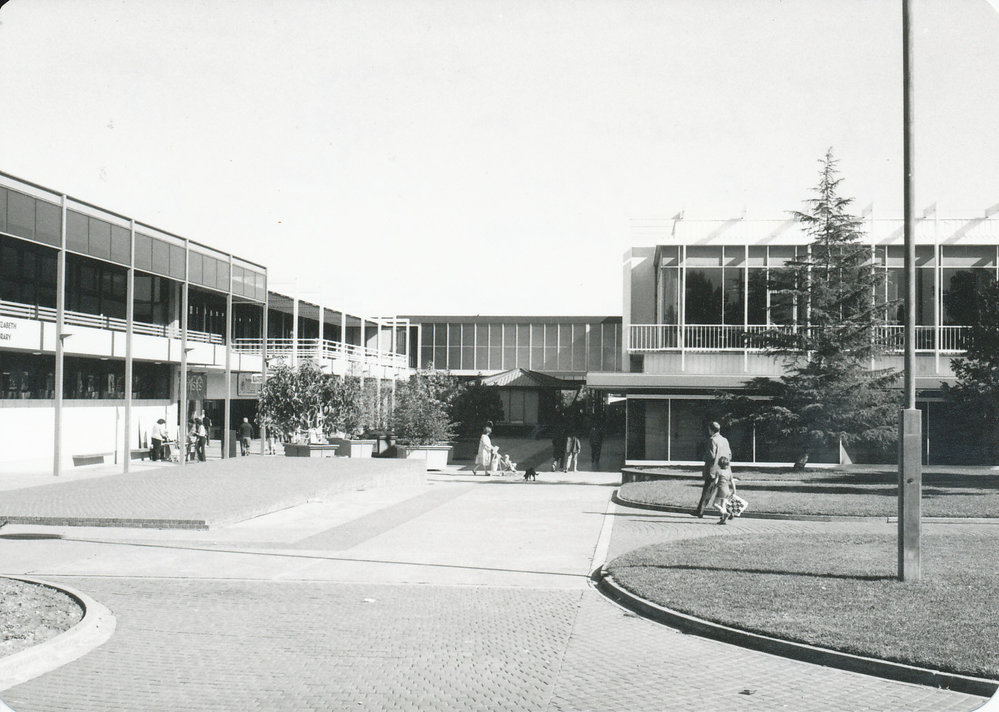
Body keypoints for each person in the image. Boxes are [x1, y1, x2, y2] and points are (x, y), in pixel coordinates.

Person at [694, 421, 732, 517]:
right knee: (723, 492)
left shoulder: (712, 440)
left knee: (707, 491)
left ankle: (700, 511)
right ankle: (729, 512)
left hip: (713, 471)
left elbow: (711, 456)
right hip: (725, 470)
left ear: (711, 430)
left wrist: (704, 457)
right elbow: (730, 455)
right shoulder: (725, 440)